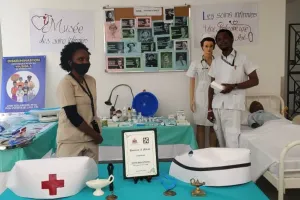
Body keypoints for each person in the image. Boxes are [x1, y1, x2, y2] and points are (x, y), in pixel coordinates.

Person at [207, 29, 259, 148]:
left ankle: (234, 165)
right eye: (218, 40)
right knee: (221, 140)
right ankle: (226, 165)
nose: (222, 41)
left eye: (225, 38)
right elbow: (211, 86)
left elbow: (255, 80)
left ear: (232, 39)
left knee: (232, 140)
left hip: (233, 106)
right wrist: (209, 109)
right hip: (217, 106)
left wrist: (233, 86)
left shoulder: (243, 58)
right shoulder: (216, 62)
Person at [56, 42, 103, 163]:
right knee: (69, 178)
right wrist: (95, 135)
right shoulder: (65, 83)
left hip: (90, 141)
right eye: (80, 59)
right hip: (71, 141)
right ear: (70, 62)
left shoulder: (91, 80)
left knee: (91, 178)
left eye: (87, 59)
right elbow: (72, 115)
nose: (85, 62)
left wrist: (94, 134)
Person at [186, 34, 217, 148]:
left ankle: (213, 152)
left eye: (211, 46)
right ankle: (201, 153)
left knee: (214, 125)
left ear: (214, 47)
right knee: (200, 125)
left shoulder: (218, 62)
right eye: (206, 46)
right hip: (200, 96)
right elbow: (192, 82)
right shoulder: (196, 63)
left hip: (215, 95)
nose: (209, 49)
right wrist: (192, 100)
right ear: (202, 47)